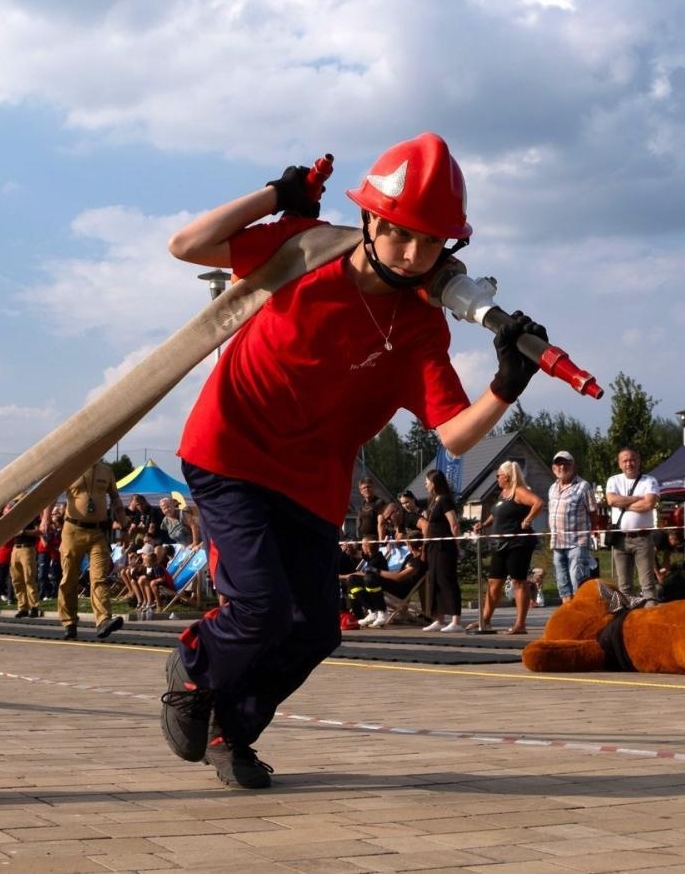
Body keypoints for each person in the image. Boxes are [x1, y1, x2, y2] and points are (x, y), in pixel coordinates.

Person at [162, 132, 545, 789]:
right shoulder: (305, 249)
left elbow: (454, 434)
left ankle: (233, 730)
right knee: (260, 608)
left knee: (314, 630)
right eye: (401, 234)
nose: (416, 254)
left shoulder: (423, 327)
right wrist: (276, 197)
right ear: (369, 218)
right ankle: (194, 667)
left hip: (313, 479)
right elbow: (187, 246)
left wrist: (506, 384)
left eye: (433, 242)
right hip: (233, 449)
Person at [60, 461, 131, 640]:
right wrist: (45, 519)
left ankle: (103, 621)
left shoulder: (106, 471)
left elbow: (115, 499)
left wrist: (124, 527)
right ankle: (69, 621)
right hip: (73, 530)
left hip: (98, 532)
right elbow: (51, 496)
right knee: (69, 578)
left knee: (99, 577)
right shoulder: (69, 468)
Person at [475, 460, 544, 634]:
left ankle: (520, 624)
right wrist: (483, 524)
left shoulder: (519, 491)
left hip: (518, 544)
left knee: (518, 582)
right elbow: (495, 514)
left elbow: (538, 503)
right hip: (501, 544)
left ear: (506, 476)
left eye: (498, 475)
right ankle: (485, 620)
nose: (496, 478)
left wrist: (527, 521)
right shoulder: (503, 494)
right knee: (494, 582)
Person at [604, 447, 660, 601]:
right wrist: (637, 498)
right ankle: (627, 620)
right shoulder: (613, 480)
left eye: (632, 459)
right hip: (620, 539)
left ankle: (650, 618)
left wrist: (623, 503)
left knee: (647, 584)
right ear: (620, 464)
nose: (629, 463)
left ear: (639, 461)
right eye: (625, 460)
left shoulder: (650, 481)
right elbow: (611, 500)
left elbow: (648, 504)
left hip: (642, 538)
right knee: (624, 587)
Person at [418, 469, 466, 632]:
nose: (425, 485)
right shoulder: (434, 501)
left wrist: (456, 544)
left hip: (444, 548)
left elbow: (454, 524)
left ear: (434, 483)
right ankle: (439, 618)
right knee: (435, 581)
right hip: (433, 547)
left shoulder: (445, 500)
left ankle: (456, 620)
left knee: (447, 580)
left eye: (427, 481)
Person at [547, 450, 596, 604]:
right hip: (557, 542)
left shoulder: (583, 486)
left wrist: (592, 534)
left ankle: (584, 615)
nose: (562, 467)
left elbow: (593, 513)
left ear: (573, 466)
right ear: (553, 468)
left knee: (579, 581)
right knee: (563, 584)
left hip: (577, 542)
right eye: (558, 464)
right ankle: (569, 615)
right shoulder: (552, 488)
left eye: (566, 464)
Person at [7, 498, 43, 619]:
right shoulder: (13, 519)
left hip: (27, 548)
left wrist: (24, 532)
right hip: (15, 549)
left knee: (29, 578)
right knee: (16, 580)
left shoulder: (32, 515)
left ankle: (34, 606)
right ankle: (22, 607)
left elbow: (39, 531)